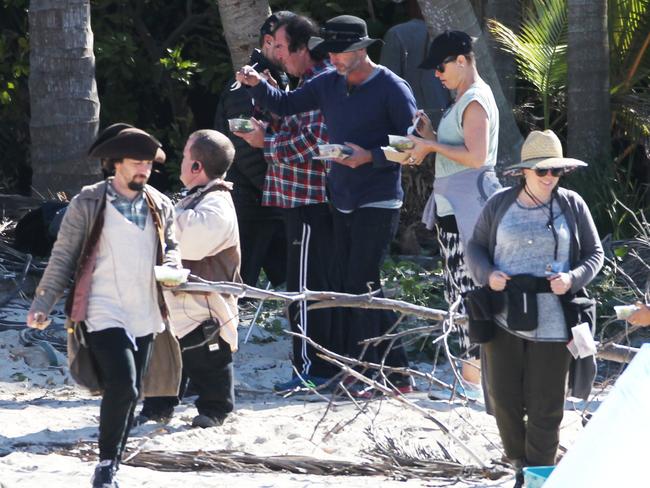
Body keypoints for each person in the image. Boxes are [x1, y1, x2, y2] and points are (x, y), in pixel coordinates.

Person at [235, 15, 415, 393]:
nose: (332, 58)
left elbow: (413, 146)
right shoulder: (328, 82)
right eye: (330, 51)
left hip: (379, 199)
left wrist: (369, 156)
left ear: (362, 50)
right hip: (341, 199)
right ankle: (392, 371)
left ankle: (379, 372)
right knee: (354, 286)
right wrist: (256, 86)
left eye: (340, 53)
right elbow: (284, 105)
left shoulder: (392, 88)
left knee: (359, 284)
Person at [26, 124, 182, 488]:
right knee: (124, 386)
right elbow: (63, 256)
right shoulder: (88, 202)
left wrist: (173, 265)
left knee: (134, 391)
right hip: (101, 308)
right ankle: (106, 465)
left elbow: (172, 247)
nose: (144, 169)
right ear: (115, 163)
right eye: (136, 162)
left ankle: (115, 460)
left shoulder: (160, 203)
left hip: (145, 309)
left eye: (148, 163)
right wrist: (42, 302)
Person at [466, 129, 604, 488]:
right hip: (503, 314)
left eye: (555, 171)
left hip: (555, 320)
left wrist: (572, 278)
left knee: (546, 406)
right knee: (504, 400)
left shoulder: (572, 204)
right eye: (542, 170)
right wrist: (488, 274)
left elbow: (595, 254)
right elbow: (476, 248)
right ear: (524, 171)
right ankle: (519, 467)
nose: (549, 178)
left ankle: (538, 477)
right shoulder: (499, 203)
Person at [233, 14, 339, 391]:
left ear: (300, 46)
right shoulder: (302, 82)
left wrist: (267, 143)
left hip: (308, 200)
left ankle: (311, 370)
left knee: (305, 292)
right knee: (303, 289)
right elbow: (297, 131)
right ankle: (316, 368)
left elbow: (314, 142)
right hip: (295, 200)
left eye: (279, 45)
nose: (273, 52)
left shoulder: (320, 81)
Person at [404, 30, 502, 393]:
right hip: (456, 207)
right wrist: (431, 135)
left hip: (468, 211)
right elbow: (459, 149)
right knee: (460, 296)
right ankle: (473, 379)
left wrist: (429, 145)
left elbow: (476, 158)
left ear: (462, 60)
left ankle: (476, 384)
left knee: (470, 296)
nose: (436, 74)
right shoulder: (464, 96)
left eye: (441, 66)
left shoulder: (475, 99)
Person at [135, 130, 241, 428]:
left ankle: (215, 409)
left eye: (184, 157)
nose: (180, 163)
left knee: (208, 357)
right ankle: (157, 407)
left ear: (197, 167)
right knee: (164, 357)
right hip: (175, 297)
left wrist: (158, 212)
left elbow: (192, 239)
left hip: (205, 302)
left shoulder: (217, 203)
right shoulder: (196, 198)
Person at [214, 11, 294, 289]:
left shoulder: (277, 79)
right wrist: (280, 191)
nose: (294, 53)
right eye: (289, 45)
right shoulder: (244, 87)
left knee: (292, 284)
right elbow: (244, 151)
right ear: (269, 42)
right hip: (249, 204)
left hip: (269, 203)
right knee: (237, 289)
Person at [380, 0, 450, 127]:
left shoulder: (397, 33)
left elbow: (386, 86)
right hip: (451, 118)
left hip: (416, 122)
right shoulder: (455, 30)